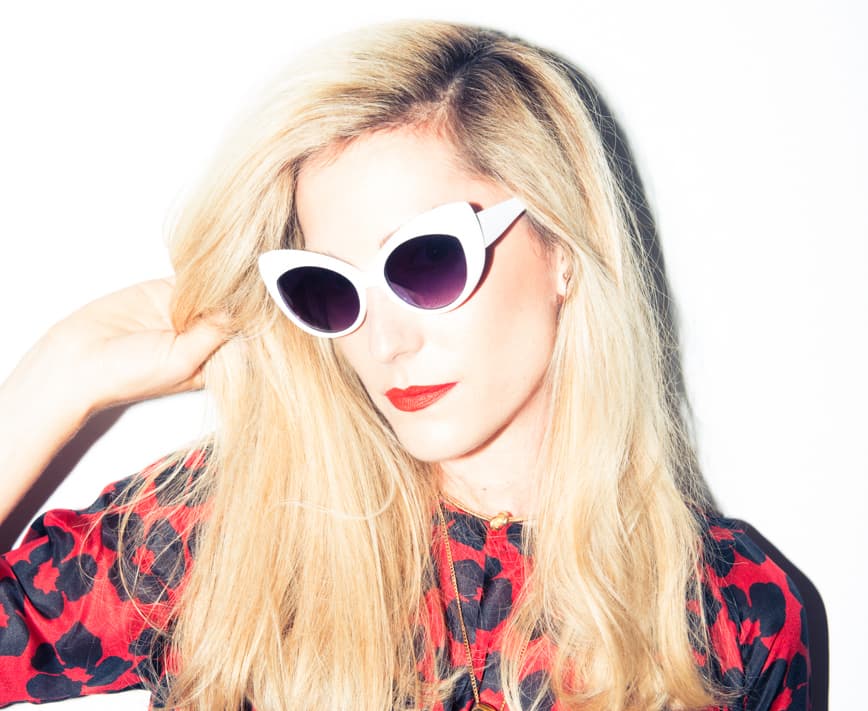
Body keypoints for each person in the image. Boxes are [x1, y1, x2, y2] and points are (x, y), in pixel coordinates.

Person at [0, 20, 809, 711]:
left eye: (424, 261)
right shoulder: (221, 533)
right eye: (328, 288)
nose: (383, 341)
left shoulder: (731, 610)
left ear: (563, 245)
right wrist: (60, 374)